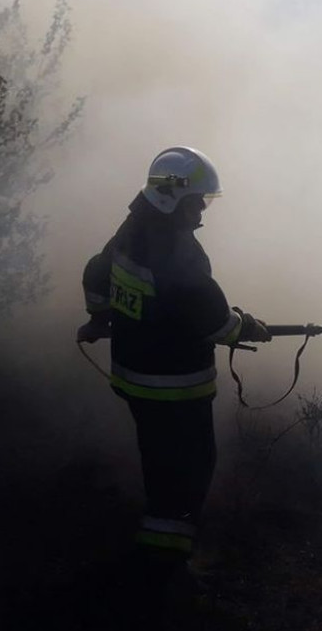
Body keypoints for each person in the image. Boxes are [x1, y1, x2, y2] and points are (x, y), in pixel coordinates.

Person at [76, 145, 270, 581]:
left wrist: (99, 316)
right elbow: (215, 322)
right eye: (197, 200)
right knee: (190, 469)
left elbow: (96, 271)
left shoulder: (131, 228)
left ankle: (158, 540)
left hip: (132, 376)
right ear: (172, 197)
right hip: (175, 385)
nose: (202, 208)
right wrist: (248, 327)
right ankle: (165, 565)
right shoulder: (181, 255)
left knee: (159, 459)